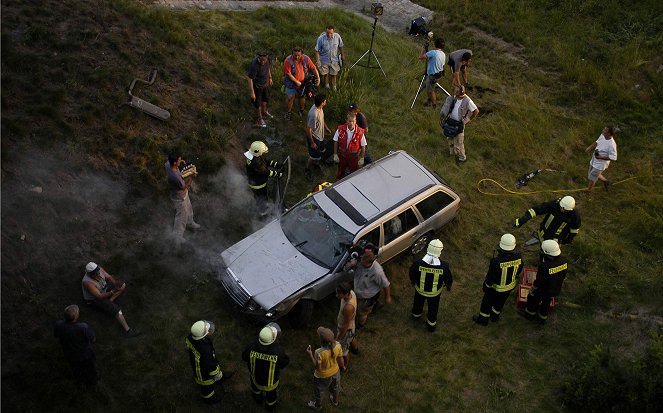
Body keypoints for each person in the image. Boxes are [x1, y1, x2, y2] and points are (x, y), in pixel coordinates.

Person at [344, 243, 391, 354]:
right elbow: (348, 267)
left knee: (362, 312)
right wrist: (352, 263)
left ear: (370, 263)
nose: (360, 263)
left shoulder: (377, 272)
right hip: (358, 291)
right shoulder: (361, 261)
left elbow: (386, 285)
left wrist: (388, 297)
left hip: (368, 296)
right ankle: (375, 306)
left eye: (363, 262)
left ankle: (360, 325)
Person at [472, 234, 523, 326]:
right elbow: (519, 269)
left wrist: (486, 287)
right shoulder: (519, 257)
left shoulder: (496, 262)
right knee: (500, 303)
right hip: (509, 287)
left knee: (486, 303)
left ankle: (483, 319)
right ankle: (494, 317)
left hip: (495, 289)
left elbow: (490, 277)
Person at [81, 262, 141, 338]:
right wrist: (113, 291)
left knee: (123, 286)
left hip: (103, 291)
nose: (98, 275)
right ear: (88, 274)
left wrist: (116, 284)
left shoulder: (99, 270)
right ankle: (128, 331)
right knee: (117, 311)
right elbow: (99, 296)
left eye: (98, 272)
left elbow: (109, 277)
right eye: (95, 274)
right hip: (94, 300)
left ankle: (110, 301)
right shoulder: (87, 283)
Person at [518, 240, 569, 324]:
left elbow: (539, 281)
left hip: (543, 290)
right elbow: (563, 275)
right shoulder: (564, 261)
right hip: (555, 289)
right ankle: (542, 318)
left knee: (532, 299)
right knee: (546, 302)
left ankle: (529, 315)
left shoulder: (544, 266)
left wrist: (532, 288)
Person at [242, 323, 290, 411]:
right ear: (273, 339)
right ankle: (270, 407)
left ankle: (258, 399)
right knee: (271, 396)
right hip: (270, 384)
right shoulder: (278, 352)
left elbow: (244, 357)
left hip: (255, 378)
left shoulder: (251, 347)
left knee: (255, 390)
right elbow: (284, 363)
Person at [185, 320, 233, 404]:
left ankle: (221, 378)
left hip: (199, 362)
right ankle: (208, 398)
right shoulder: (205, 350)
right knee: (206, 386)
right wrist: (216, 374)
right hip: (202, 372)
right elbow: (211, 366)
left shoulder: (190, 337)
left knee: (216, 373)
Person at [409, 239, 453, 332]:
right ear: (439, 251)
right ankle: (431, 325)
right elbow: (448, 278)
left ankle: (416, 315)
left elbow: (412, 273)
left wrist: (413, 281)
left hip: (419, 291)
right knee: (433, 308)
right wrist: (448, 285)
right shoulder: (444, 266)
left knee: (418, 303)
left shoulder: (418, 262)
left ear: (428, 248)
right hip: (434, 294)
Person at [54, 304, 98, 389]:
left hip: (69, 354)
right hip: (85, 354)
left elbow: (56, 335)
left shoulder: (58, 325)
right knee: (90, 368)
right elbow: (93, 339)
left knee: (76, 369)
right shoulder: (83, 327)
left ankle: (81, 384)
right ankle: (93, 381)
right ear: (76, 317)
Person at [513, 196, 581, 246]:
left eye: (564, 209)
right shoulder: (555, 204)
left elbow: (574, 229)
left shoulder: (574, 216)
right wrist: (524, 219)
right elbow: (539, 209)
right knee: (541, 235)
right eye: (561, 207)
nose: (562, 210)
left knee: (548, 250)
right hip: (544, 230)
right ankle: (539, 238)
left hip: (556, 237)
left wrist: (569, 239)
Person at [306, 326, 345, 410]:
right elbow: (340, 358)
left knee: (319, 391)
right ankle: (335, 401)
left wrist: (310, 354)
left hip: (322, 377)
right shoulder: (338, 345)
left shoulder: (318, 352)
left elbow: (317, 368)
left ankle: (317, 406)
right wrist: (343, 367)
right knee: (335, 388)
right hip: (335, 372)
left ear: (321, 340)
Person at [439, 84, 479, 163]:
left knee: (459, 143)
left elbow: (476, 111)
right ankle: (452, 153)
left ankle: (462, 158)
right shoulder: (454, 98)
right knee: (449, 138)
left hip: (459, 124)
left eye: (457, 92)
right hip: (450, 121)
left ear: (461, 92)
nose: (455, 93)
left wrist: (467, 120)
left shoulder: (467, 101)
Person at [165, 153, 200, 240]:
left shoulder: (168, 164)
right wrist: (191, 177)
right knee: (181, 215)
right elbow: (185, 187)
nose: (180, 161)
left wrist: (180, 160)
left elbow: (169, 162)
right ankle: (177, 236)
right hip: (179, 196)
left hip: (183, 194)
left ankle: (190, 222)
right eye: (179, 160)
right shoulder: (175, 177)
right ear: (174, 163)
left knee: (189, 207)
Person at [244, 141, 281, 216]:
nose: (265, 153)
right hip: (258, 185)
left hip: (258, 182)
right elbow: (266, 172)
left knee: (262, 197)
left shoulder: (255, 156)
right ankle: (262, 214)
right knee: (261, 199)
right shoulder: (255, 162)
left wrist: (277, 165)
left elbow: (266, 162)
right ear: (258, 152)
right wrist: (278, 174)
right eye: (263, 152)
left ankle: (264, 207)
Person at [283, 47, 320, 120]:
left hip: (303, 82)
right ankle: (288, 112)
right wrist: (296, 82)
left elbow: (313, 68)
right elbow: (288, 74)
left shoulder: (306, 59)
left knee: (302, 96)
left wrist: (318, 78)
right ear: (292, 54)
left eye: (298, 55)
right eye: (295, 55)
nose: (296, 57)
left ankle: (301, 110)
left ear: (302, 54)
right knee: (290, 97)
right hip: (291, 82)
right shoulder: (288, 60)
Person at [305, 94, 332, 182]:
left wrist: (326, 127)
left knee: (319, 154)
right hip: (315, 138)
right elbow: (308, 130)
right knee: (313, 156)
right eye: (325, 101)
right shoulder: (314, 114)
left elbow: (321, 119)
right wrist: (312, 143)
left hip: (320, 136)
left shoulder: (319, 108)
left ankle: (316, 164)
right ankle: (307, 169)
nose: (326, 101)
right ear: (322, 103)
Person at [332, 112, 367, 180]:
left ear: (355, 121)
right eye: (350, 121)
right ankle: (338, 183)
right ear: (346, 121)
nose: (351, 123)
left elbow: (363, 146)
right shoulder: (340, 129)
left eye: (353, 121)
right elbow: (335, 141)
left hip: (353, 158)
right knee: (340, 171)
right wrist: (335, 154)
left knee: (353, 173)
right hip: (342, 156)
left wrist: (362, 158)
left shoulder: (360, 132)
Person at [585, 126, 618, 191]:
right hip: (594, 160)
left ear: (609, 133)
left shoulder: (612, 144)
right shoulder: (603, 135)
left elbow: (614, 157)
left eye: (605, 130)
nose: (603, 131)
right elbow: (597, 142)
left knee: (592, 177)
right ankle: (606, 181)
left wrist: (600, 157)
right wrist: (590, 147)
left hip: (600, 164)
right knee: (590, 174)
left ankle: (589, 191)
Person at [247, 51, 274, 128]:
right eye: (261, 60)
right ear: (258, 58)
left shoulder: (267, 60)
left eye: (264, 60)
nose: (263, 62)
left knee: (265, 99)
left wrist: (270, 77)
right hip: (257, 86)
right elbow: (249, 78)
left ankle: (264, 112)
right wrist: (252, 92)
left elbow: (268, 68)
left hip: (265, 84)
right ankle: (259, 118)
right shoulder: (254, 65)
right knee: (257, 102)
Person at [315, 25, 344, 91]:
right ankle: (327, 85)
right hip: (324, 60)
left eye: (331, 33)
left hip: (334, 60)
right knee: (325, 74)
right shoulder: (321, 38)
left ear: (333, 31)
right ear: (326, 31)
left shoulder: (337, 37)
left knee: (334, 74)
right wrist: (318, 60)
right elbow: (317, 50)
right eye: (327, 33)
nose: (329, 34)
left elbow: (340, 46)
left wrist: (342, 55)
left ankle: (334, 87)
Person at [419, 38, 446, 107]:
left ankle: (434, 104)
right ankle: (429, 100)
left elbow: (421, 57)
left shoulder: (433, 52)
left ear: (435, 44)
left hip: (432, 76)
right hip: (438, 75)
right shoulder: (443, 54)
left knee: (430, 91)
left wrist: (423, 49)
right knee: (431, 88)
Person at [335, 281, 356, 368]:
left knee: (344, 351)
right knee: (352, 338)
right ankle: (356, 349)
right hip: (351, 328)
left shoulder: (348, 307)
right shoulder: (352, 292)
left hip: (346, 331)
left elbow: (346, 325)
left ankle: (344, 367)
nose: (337, 295)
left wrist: (338, 339)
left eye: (339, 294)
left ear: (346, 294)